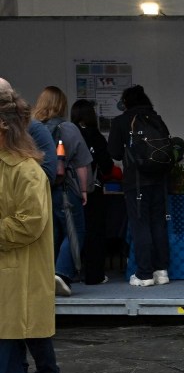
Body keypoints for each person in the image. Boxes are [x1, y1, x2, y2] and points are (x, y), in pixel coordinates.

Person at [0, 83, 53, 373]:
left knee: (4, 355)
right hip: (7, 279)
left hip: (14, 281)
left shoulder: (26, 171)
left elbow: (29, 222)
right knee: (8, 357)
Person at [106, 85, 172, 288]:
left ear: (126, 103)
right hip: (160, 181)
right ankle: (161, 271)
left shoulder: (121, 121)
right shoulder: (156, 119)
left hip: (136, 182)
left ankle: (144, 274)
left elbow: (115, 152)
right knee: (158, 224)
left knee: (140, 225)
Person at [32, 86, 92, 296]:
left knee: (53, 233)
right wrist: (84, 190)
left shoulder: (32, 129)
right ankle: (62, 273)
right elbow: (82, 164)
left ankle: (46, 277)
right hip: (66, 188)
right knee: (75, 230)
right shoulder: (69, 128)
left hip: (40, 189)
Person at [70, 99, 113, 286]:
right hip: (93, 190)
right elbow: (107, 166)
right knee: (95, 232)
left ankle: (67, 273)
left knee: (70, 232)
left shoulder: (67, 134)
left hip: (69, 190)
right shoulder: (96, 136)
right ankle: (94, 275)